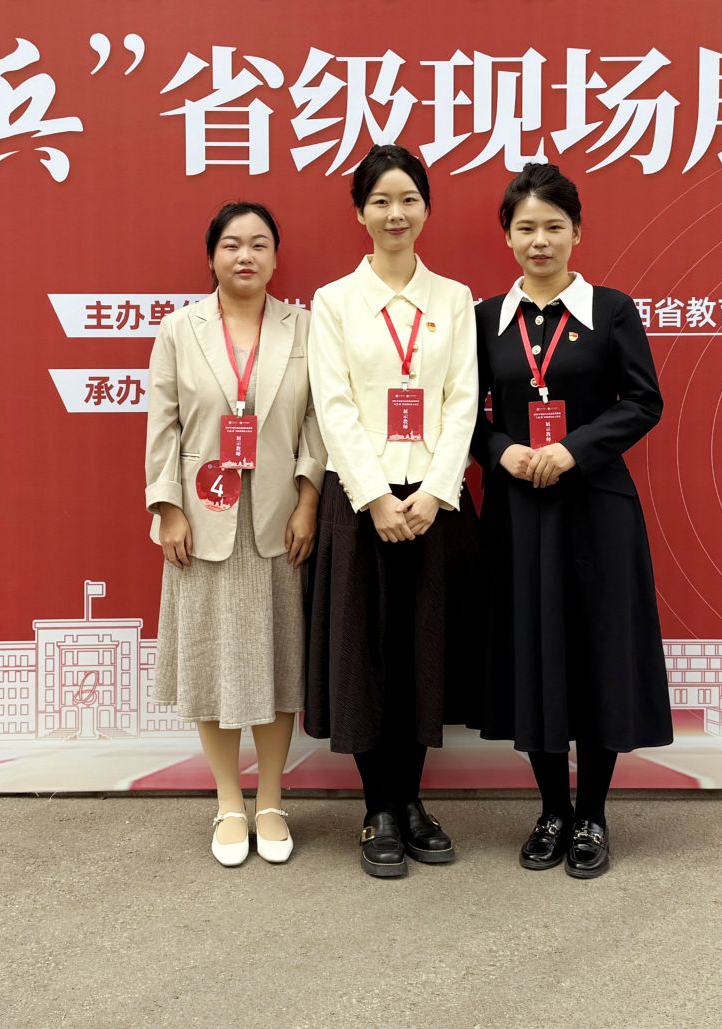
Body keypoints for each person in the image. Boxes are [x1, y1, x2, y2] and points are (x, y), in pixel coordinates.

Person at [466, 164, 671, 878]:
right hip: (518, 510)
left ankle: (593, 815)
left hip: (596, 509)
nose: (540, 240)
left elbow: (643, 402)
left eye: (554, 226)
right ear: (507, 236)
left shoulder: (611, 310)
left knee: (596, 653)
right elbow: (462, 415)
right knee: (535, 654)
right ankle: (551, 808)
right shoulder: (485, 319)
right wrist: (503, 450)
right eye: (526, 227)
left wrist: (572, 449)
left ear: (577, 232)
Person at [303, 145, 480, 879]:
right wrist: (375, 496)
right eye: (380, 201)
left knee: (422, 654)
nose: (395, 213)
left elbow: (463, 399)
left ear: (426, 209)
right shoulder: (334, 302)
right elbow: (333, 403)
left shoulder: (455, 299)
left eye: (408, 199)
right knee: (367, 656)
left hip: (434, 502)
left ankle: (412, 802)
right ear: (360, 213)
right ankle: (377, 807)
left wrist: (435, 492)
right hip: (360, 502)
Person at [144, 202, 325, 867]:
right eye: (231, 244)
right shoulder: (178, 329)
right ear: (211, 256)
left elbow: (317, 421)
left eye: (258, 244)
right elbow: (163, 424)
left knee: (277, 661)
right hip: (201, 519)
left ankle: (270, 800)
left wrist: (308, 498)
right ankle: (227, 800)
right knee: (212, 663)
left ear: (276, 257)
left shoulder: (305, 326)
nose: (244, 255)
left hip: (280, 520)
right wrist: (167, 507)